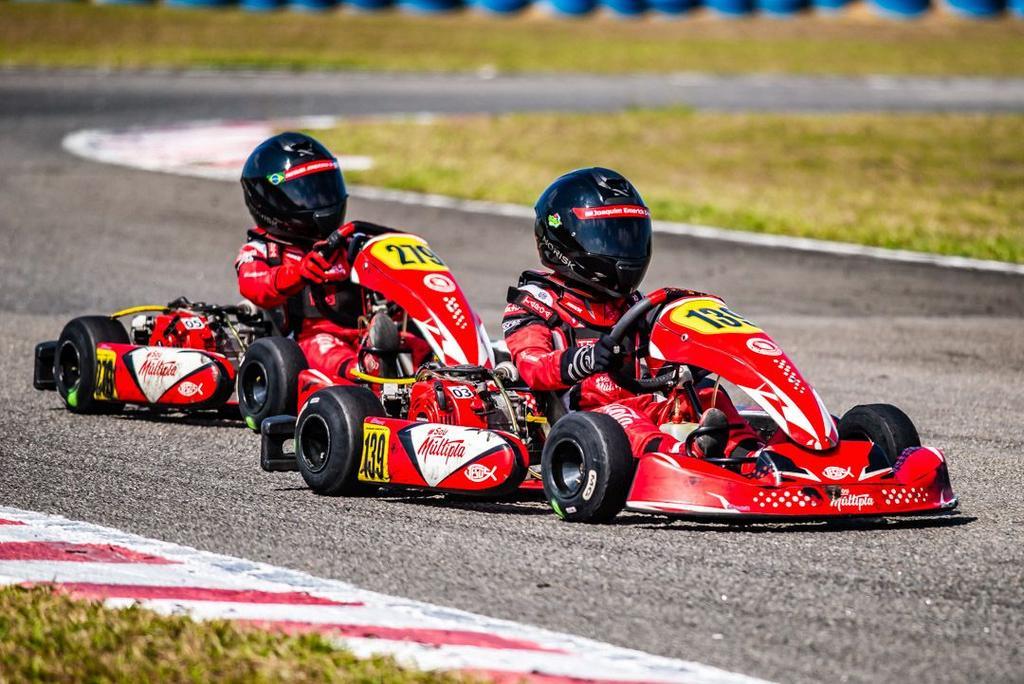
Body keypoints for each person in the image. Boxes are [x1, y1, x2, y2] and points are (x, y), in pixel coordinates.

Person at [502, 167, 761, 460]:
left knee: (706, 394)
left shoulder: (632, 304)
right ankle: (678, 457)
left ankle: (751, 454)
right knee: (622, 417)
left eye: (628, 237)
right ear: (565, 240)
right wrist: (583, 359)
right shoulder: (536, 303)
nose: (622, 249)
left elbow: (656, 365)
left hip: (643, 404)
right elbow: (533, 367)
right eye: (607, 238)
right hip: (584, 424)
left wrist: (690, 361)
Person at [235, 132, 426, 380]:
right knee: (330, 353)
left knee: (421, 345)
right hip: (309, 337)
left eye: (325, 189)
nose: (322, 200)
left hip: (365, 331)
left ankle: (452, 379)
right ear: (271, 202)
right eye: (307, 193)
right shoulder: (263, 250)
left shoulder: (351, 243)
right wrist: (298, 273)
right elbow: (253, 284)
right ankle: (366, 377)